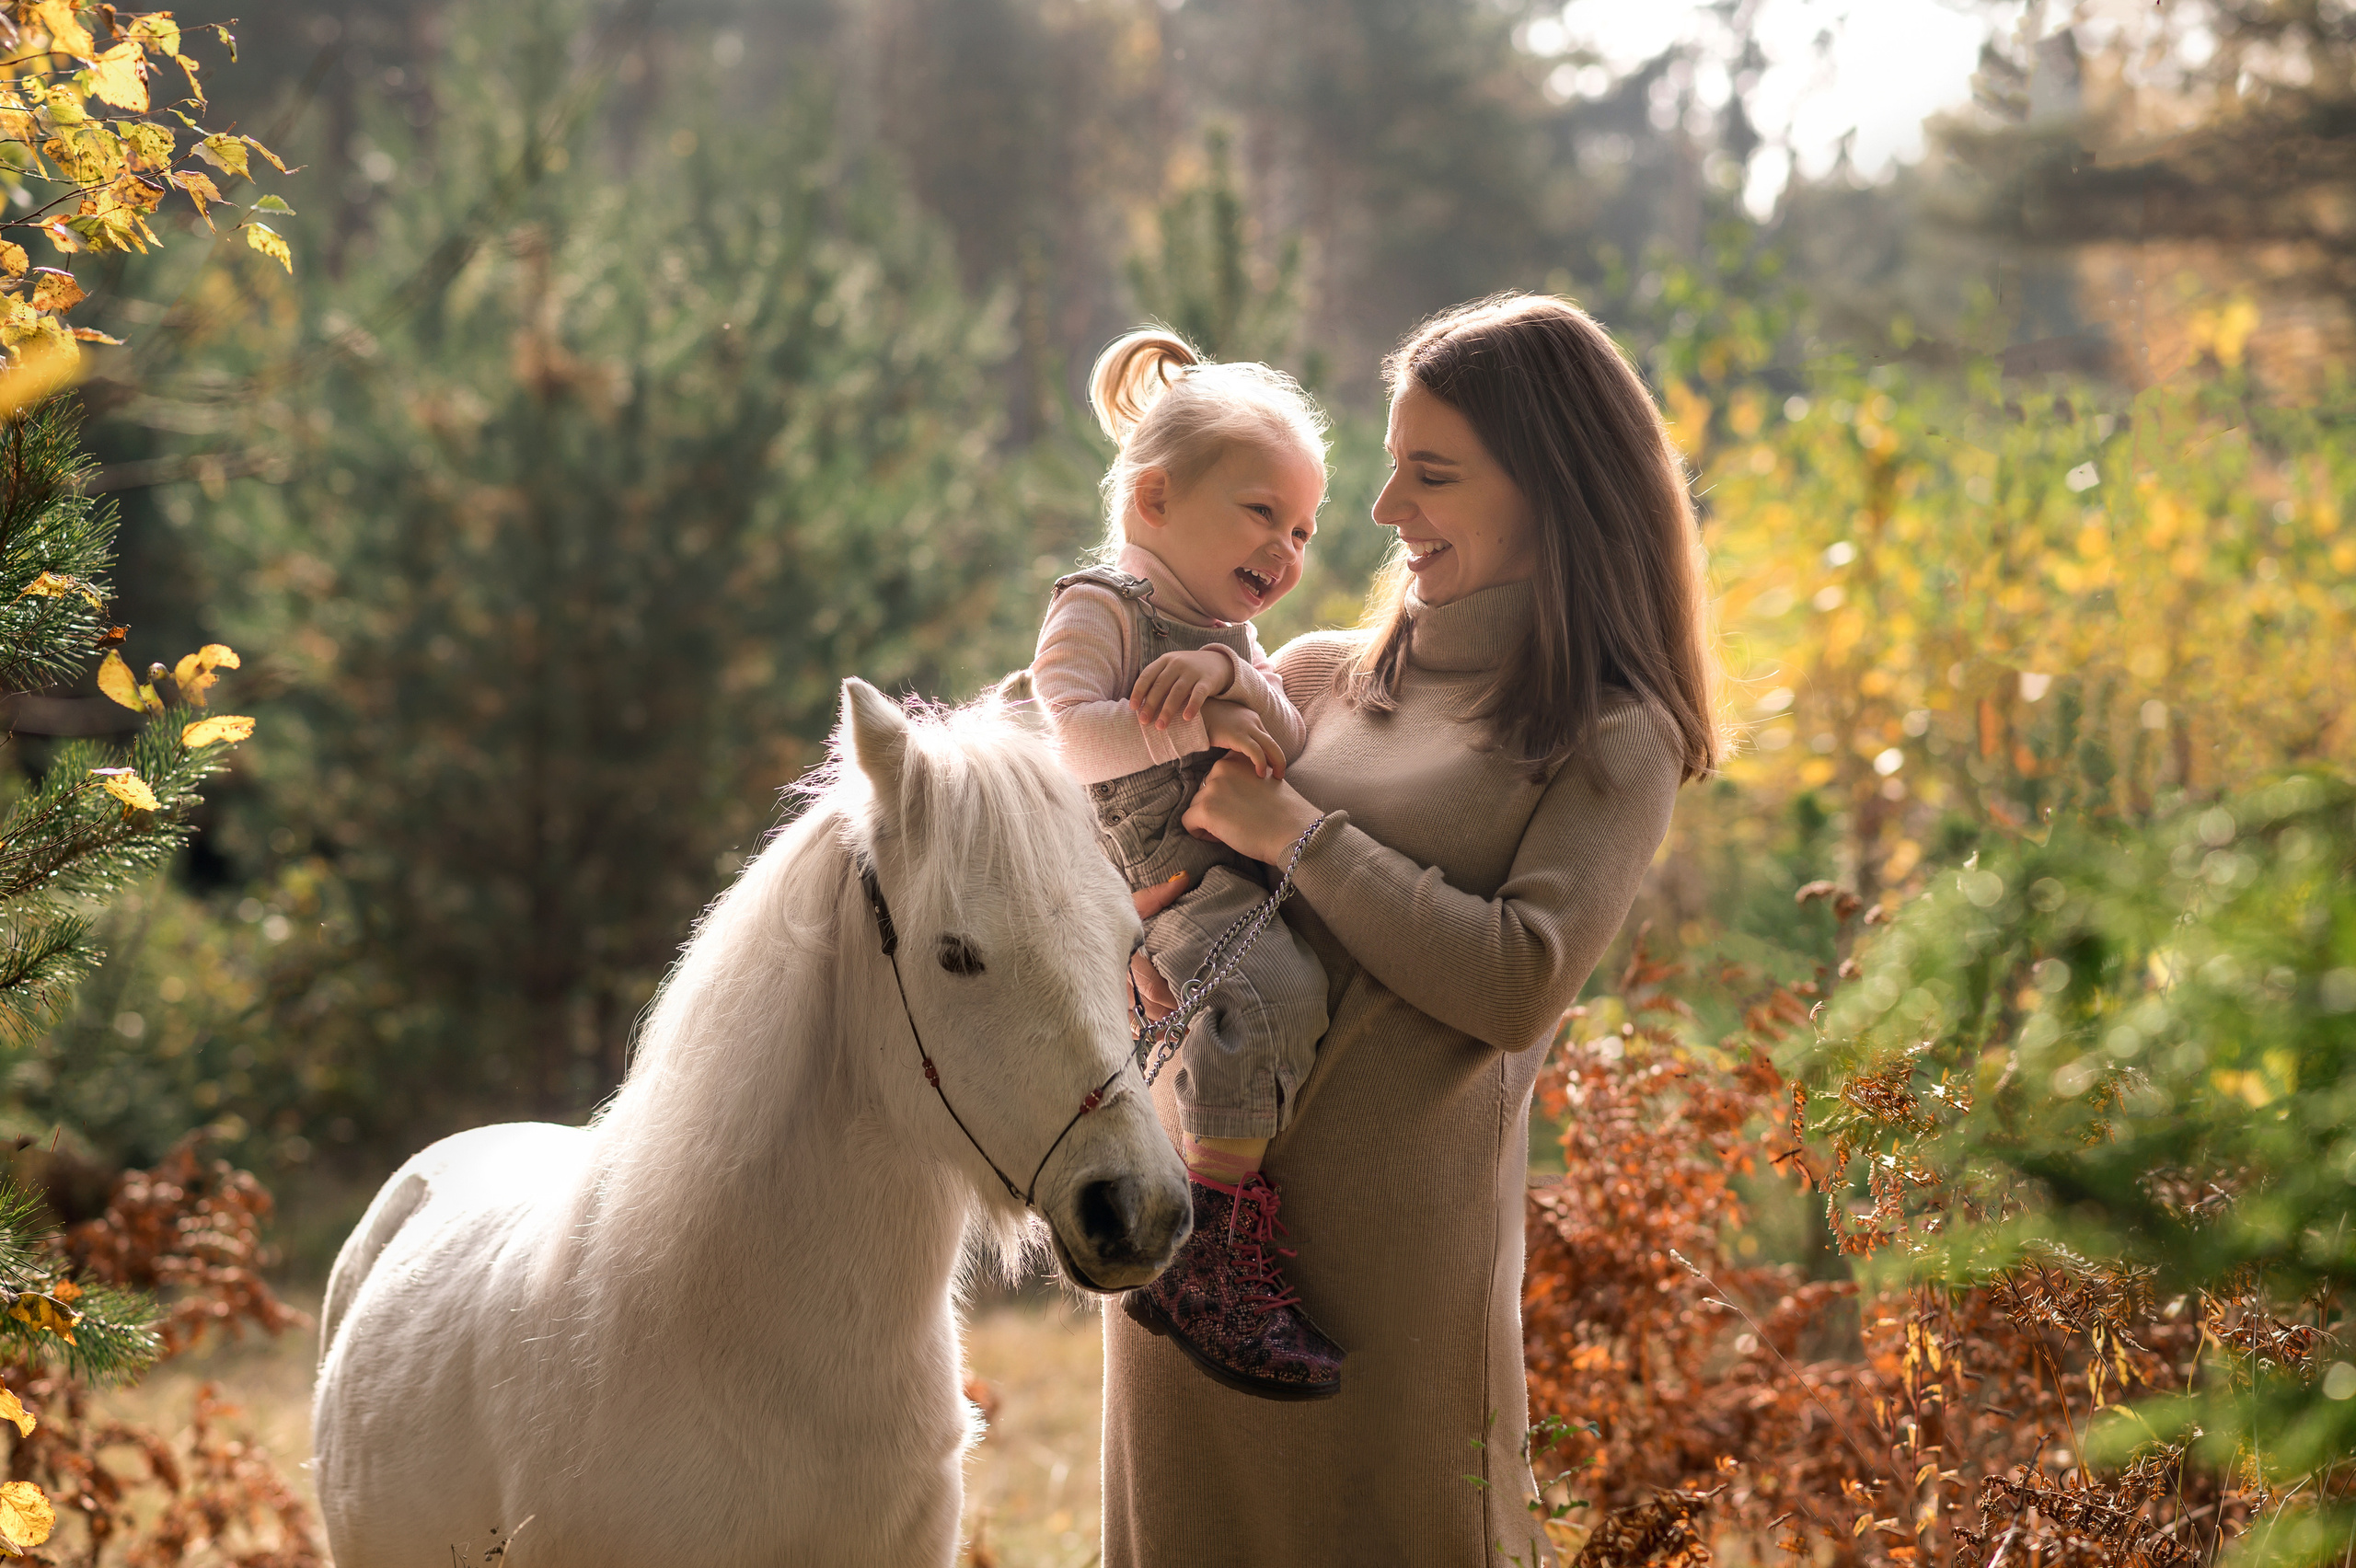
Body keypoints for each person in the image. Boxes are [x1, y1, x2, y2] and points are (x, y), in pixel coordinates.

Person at [1102, 294, 1723, 1565]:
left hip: (1385, 1305)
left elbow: (1515, 984)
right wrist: (1129, 934)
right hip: (1199, 1267)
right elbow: (1154, 842)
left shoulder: (1612, 735)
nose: (1385, 515)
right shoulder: (1319, 676)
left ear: (1555, 490)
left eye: (1430, 475)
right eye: (1389, 471)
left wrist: (1300, 837)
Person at [1030, 327, 1347, 1400]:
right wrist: (1194, 723)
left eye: (1302, 528)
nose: (1288, 549)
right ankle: (1207, 1245)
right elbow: (1070, 735)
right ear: (1155, 501)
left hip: (1234, 879)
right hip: (1168, 893)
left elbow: (1288, 744)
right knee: (1259, 997)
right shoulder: (1098, 606)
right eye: (1263, 513)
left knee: (1287, 994)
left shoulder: (1233, 643)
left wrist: (1227, 675)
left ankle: (1228, 1216)